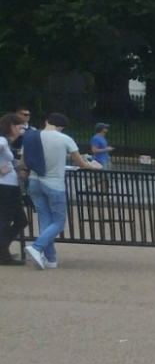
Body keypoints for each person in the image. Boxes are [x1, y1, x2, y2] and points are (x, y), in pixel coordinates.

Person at [21, 113, 104, 269]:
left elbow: (23, 161)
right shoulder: (64, 139)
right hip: (54, 183)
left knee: (44, 219)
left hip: (34, 180)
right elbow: (81, 163)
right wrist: (95, 166)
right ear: (62, 127)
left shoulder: (31, 136)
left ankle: (51, 258)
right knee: (58, 222)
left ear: (46, 121)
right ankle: (37, 247)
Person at [0, 114, 28, 263]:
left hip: (9, 185)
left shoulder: (6, 141)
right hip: (6, 186)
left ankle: (2, 249)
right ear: (11, 126)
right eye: (19, 126)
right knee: (9, 219)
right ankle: (2, 252)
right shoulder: (2, 140)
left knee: (18, 220)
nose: (21, 129)